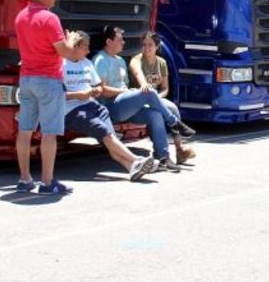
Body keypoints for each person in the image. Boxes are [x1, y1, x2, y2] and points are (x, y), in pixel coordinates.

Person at [96, 25, 195, 172]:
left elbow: (159, 88)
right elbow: (102, 90)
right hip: (112, 107)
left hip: (127, 104)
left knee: (155, 115)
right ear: (109, 42)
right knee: (148, 91)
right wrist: (127, 90)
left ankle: (163, 157)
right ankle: (174, 122)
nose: (123, 42)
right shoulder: (100, 60)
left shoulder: (120, 60)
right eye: (120, 40)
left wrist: (131, 91)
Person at [14, 0, 80, 195]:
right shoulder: (50, 19)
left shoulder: (21, 16)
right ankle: (47, 181)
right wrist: (70, 41)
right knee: (49, 133)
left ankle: (24, 179)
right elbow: (66, 54)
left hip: (26, 78)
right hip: (49, 79)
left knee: (24, 131)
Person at [63, 32, 156, 181]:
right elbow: (54, 95)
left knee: (110, 138)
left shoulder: (86, 63)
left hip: (93, 106)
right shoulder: (61, 65)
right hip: (73, 110)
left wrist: (95, 91)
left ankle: (131, 168)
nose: (88, 51)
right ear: (75, 47)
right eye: (85, 47)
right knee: (105, 132)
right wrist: (78, 95)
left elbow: (100, 87)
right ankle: (136, 160)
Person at [129, 31, 196, 164]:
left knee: (173, 108)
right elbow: (138, 73)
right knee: (160, 112)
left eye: (150, 45)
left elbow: (165, 88)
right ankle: (162, 149)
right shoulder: (136, 60)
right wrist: (147, 90)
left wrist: (157, 98)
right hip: (140, 98)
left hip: (156, 97)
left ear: (157, 47)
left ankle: (179, 149)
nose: (147, 48)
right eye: (144, 45)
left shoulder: (162, 63)